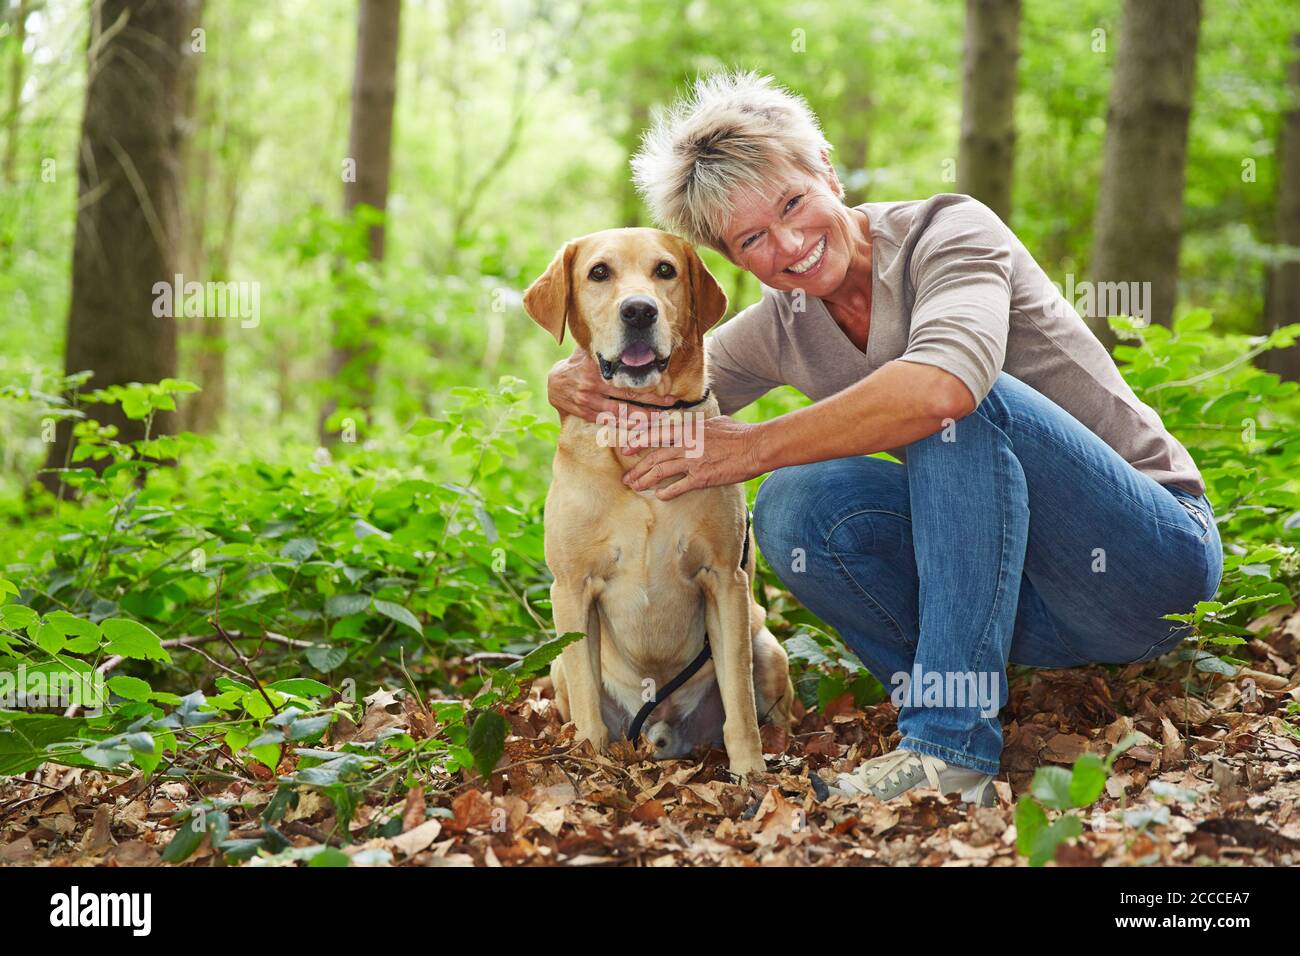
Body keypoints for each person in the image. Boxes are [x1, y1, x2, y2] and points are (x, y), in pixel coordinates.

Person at [545, 70, 1222, 807]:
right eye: (753, 240)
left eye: (794, 203)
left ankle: (950, 746)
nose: (791, 243)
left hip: (1148, 564)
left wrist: (750, 445)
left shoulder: (949, 230)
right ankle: (957, 689)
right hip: (1032, 611)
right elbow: (667, 383)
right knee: (793, 506)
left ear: (828, 171)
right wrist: (569, 382)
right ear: (737, 262)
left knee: (956, 409)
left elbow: (943, 389)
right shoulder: (785, 323)